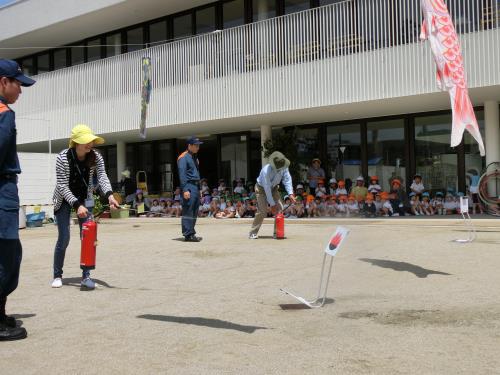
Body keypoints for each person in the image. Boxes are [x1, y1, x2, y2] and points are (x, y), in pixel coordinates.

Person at [51, 124, 119, 290]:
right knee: (64, 238)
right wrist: (76, 205)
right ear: (75, 142)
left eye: (91, 140)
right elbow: (62, 186)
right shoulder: (62, 157)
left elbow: (102, 176)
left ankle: (86, 276)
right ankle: (57, 275)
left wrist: (110, 195)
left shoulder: (95, 156)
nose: (90, 144)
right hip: (64, 199)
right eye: (85, 141)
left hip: (85, 198)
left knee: (88, 237)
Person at [0, 59, 36, 341]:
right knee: (7, 257)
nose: (21, 91)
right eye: (18, 84)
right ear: (4, 82)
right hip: (2, 192)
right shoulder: (3, 113)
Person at [249, 151, 296, 239]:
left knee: (280, 208)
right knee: (262, 211)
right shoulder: (265, 171)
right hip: (261, 189)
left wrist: (290, 194)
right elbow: (267, 188)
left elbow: (287, 180)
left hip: (274, 188)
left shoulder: (284, 166)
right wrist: (272, 204)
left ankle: (277, 233)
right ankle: (253, 232)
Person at [177, 136, 203, 242]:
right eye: (196, 145)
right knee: (188, 210)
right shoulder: (183, 157)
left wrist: (200, 188)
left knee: (194, 210)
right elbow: (182, 175)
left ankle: (191, 231)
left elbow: (197, 174)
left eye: (198, 145)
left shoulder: (194, 157)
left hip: (195, 186)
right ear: (189, 145)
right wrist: (185, 189)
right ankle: (188, 234)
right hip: (189, 186)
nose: (198, 147)